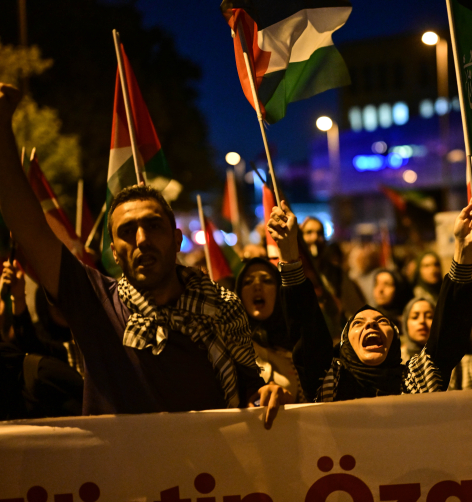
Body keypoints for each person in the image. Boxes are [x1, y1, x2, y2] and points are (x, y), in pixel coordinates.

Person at [0, 83, 289, 426]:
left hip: (208, 478)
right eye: (126, 231)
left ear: (177, 238)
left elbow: (250, 396)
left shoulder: (223, 309)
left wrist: (270, 394)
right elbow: (29, 227)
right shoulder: (93, 303)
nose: (141, 240)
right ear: (114, 252)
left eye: (153, 226)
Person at [268, 197, 472, 402]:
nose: (371, 323)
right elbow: (307, 329)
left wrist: (464, 250)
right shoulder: (329, 382)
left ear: (395, 339)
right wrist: (288, 253)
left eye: (382, 322)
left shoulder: (414, 381)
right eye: (358, 323)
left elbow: (448, 335)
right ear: (345, 343)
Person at [400, 289, 472, 389]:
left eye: (429, 316)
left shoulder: (455, 362)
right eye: (415, 317)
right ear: (406, 324)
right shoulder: (397, 364)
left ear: (439, 324)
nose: (421, 321)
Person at [236, 257, 306, 402]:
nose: (257, 286)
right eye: (248, 282)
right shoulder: (233, 346)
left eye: (267, 280)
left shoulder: (299, 343)